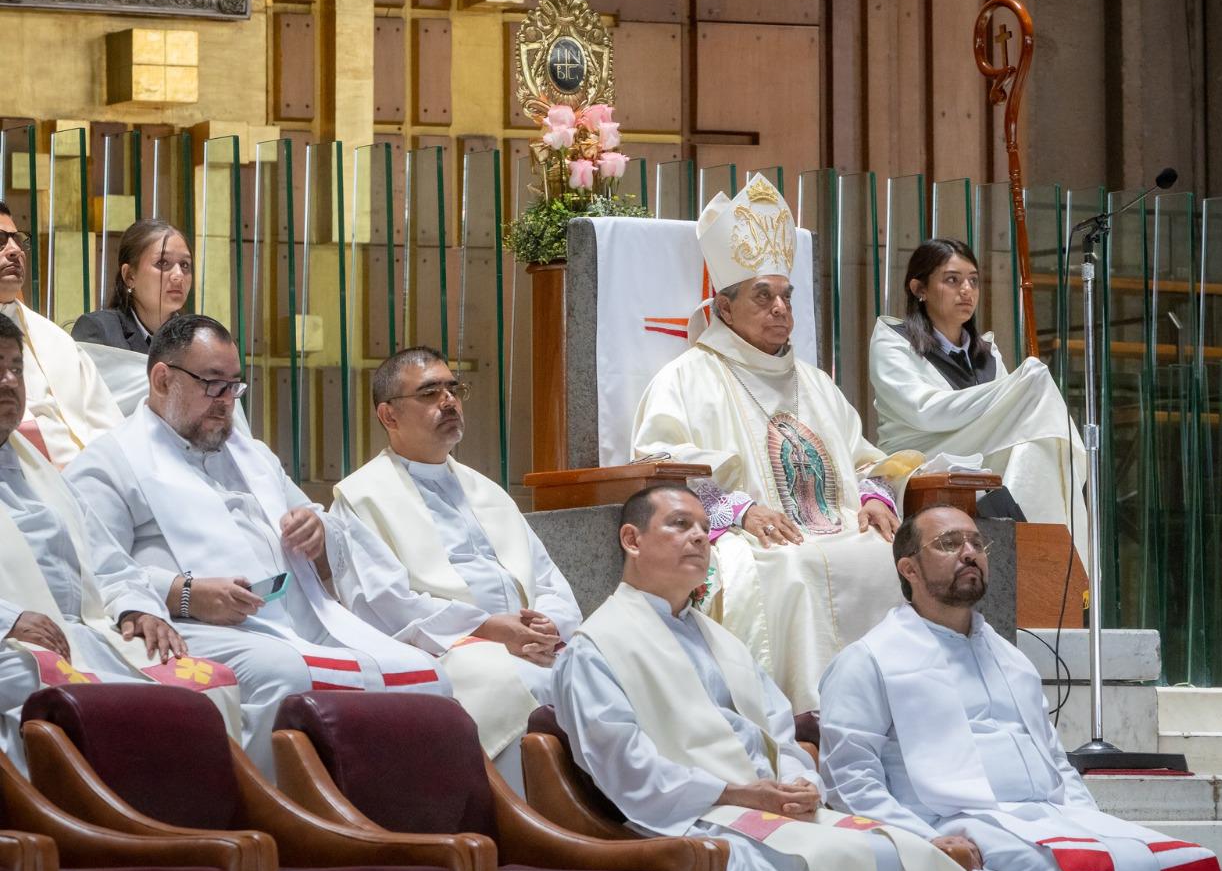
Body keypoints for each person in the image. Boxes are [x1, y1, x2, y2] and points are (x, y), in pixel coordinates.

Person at [552, 484, 969, 871]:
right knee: (832, 864)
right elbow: (624, 765)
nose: (700, 539)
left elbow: (779, 730)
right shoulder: (595, 648)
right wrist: (738, 793)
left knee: (899, 855)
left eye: (706, 529)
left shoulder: (720, 639)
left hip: (765, 806)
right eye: (680, 525)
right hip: (694, 820)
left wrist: (799, 783)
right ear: (631, 539)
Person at [819, 504, 1222, 871]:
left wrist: (1091, 820)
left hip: (1047, 816)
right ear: (908, 568)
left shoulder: (1013, 660)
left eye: (976, 543)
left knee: (1173, 865)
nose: (970, 553)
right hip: (957, 820)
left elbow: (1055, 762)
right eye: (949, 544)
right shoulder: (868, 660)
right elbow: (849, 777)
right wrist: (921, 838)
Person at [65, 314, 453, 770]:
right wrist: (186, 594)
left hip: (299, 618)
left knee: (430, 677)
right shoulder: (110, 462)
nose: (227, 401)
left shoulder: (254, 457)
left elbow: (327, 525)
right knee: (285, 674)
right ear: (162, 378)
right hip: (201, 628)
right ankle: (281, 815)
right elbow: (96, 566)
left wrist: (318, 531)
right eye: (213, 384)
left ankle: (393, 815)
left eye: (234, 386)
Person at [631, 174, 911, 712]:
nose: (781, 308)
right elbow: (660, 465)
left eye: (786, 296)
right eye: (764, 296)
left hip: (837, 527)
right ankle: (803, 719)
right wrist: (738, 509)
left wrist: (875, 498)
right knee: (787, 573)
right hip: (753, 537)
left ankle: (888, 715)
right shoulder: (686, 378)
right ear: (725, 308)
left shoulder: (816, 383)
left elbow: (865, 458)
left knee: (887, 558)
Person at [332, 345, 579, 787]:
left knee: (613, 672)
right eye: (429, 393)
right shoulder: (361, 498)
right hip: (449, 649)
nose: (448, 401)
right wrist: (489, 629)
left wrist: (550, 626)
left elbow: (547, 579)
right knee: (518, 684)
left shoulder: (487, 490)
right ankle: (534, 820)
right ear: (389, 416)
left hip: (534, 645)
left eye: (453, 388)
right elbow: (382, 604)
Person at [0, 312, 241, 762]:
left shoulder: (36, 468)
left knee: (205, 683)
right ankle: (62, 820)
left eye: (16, 367)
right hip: (13, 643)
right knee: (26, 675)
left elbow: (105, 558)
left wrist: (137, 608)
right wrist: (8, 619)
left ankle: (184, 819)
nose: (10, 381)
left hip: (78, 634)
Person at [869, 237, 1088, 547]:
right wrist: (1020, 385)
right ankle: (1042, 551)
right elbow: (923, 411)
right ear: (919, 289)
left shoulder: (986, 352)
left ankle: (1046, 563)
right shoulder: (892, 341)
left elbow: (1006, 418)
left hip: (980, 454)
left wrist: (1021, 386)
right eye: (952, 280)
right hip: (919, 457)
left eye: (973, 281)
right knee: (1035, 384)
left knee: (1038, 448)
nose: (966, 291)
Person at [0, 202, 122, 466]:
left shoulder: (54, 337)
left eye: (18, 240)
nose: (15, 250)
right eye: (1, 241)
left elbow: (108, 421)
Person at [72, 219, 192, 354]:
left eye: (185, 265)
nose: (178, 274)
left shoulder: (196, 337)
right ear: (129, 276)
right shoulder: (99, 330)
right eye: (163, 263)